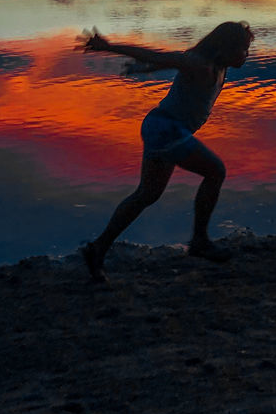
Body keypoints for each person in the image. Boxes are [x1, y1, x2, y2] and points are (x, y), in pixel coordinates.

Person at [78, 20, 254, 281]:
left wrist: (144, 69)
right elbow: (159, 55)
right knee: (215, 172)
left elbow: (165, 63)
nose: (246, 54)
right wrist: (111, 48)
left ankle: (98, 248)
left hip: (162, 129)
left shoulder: (218, 66)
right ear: (225, 47)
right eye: (242, 49)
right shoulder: (199, 63)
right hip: (166, 129)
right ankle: (199, 241)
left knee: (147, 194)